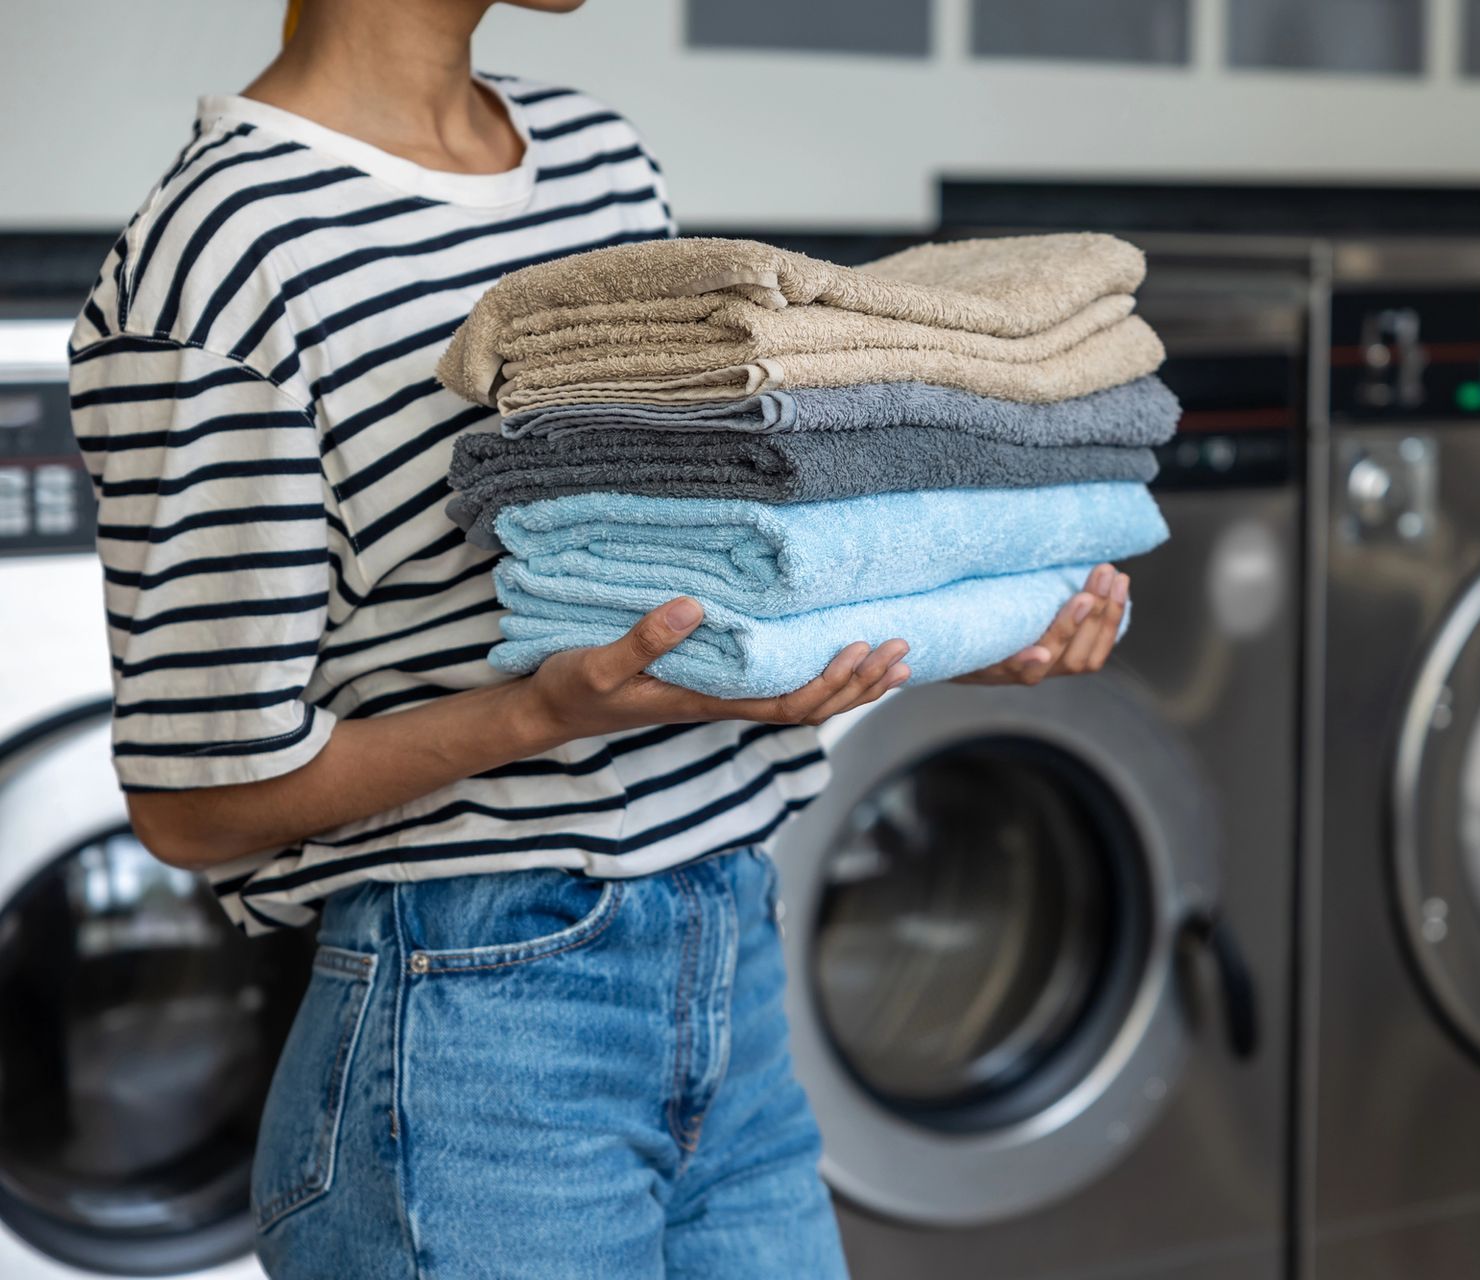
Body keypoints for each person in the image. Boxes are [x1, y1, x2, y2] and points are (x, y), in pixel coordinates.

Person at [66, 1, 1133, 1276]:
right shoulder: (219, 252)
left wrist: (952, 621)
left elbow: (695, 570)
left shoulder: (596, 156)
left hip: (730, 963)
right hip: (472, 1034)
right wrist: (538, 714)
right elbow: (193, 806)